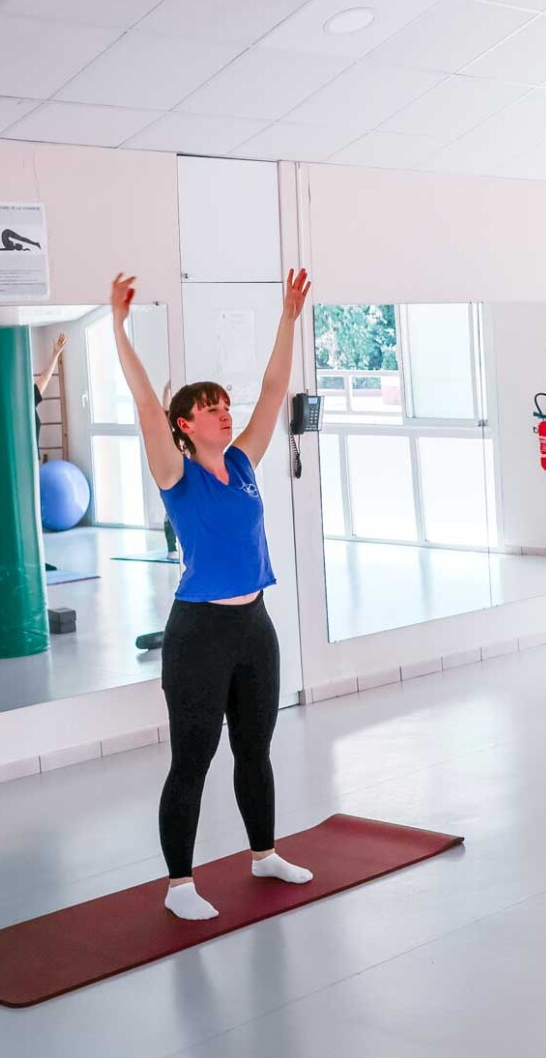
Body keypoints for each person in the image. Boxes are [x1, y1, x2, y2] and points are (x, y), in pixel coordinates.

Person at [110, 268, 313, 921]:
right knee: (192, 761)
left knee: (255, 751)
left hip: (255, 626)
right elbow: (147, 405)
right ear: (185, 424)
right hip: (199, 634)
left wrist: (287, 318)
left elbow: (275, 389)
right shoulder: (176, 473)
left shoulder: (245, 462)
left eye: (226, 404)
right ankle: (179, 885)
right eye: (211, 408)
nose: (226, 412)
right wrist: (118, 327)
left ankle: (264, 853)